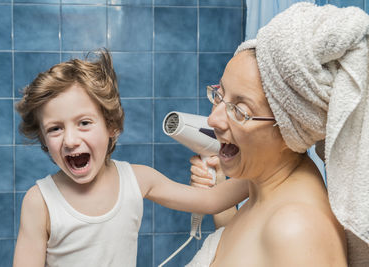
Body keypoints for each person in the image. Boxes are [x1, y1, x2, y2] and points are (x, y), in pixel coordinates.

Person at [12, 49, 246, 267]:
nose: (70, 140)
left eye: (84, 123)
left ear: (111, 126)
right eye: (55, 129)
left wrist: (273, 166)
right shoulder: (39, 202)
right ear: (43, 138)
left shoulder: (138, 179)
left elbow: (212, 200)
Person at [187, 2, 369, 266]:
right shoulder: (263, 193)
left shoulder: (297, 230)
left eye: (240, 110)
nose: (213, 119)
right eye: (219, 94)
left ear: (288, 131)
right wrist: (219, 191)